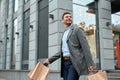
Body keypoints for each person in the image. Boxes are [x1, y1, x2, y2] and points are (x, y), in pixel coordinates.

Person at [43, 12, 94, 80]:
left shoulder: (77, 30)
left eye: (70, 16)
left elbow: (85, 47)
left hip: (74, 63)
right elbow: (62, 51)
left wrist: (90, 63)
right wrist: (49, 60)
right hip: (64, 63)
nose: (69, 18)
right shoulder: (64, 33)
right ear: (62, 20)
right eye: (66, 17)